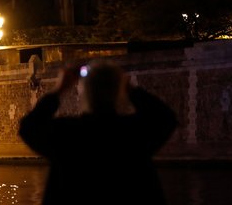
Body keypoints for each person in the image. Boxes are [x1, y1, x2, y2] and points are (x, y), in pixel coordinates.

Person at [18, 59, 178, 205]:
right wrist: (130, 89)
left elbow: (29, 127)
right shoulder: (134, 132)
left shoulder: (67, 134)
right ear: (118, 91)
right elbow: (166, 118)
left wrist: (60, 88)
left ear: (84, 92)